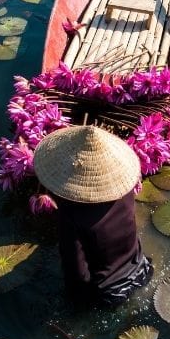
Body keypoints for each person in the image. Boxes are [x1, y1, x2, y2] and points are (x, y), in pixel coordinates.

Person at [32, 125, 154, 306]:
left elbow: (76, 272)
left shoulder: (71, 215)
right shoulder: (124, 190)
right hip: (142, 269)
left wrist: (75, 301)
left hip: (109, 293)